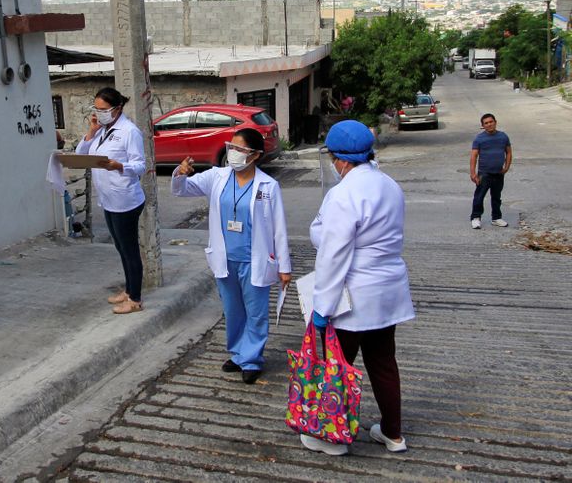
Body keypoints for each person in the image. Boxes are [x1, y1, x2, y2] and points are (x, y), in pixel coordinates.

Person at [304, 119, 414, 455]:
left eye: (334, 159)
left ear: (341, 159)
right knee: (383, 362)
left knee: (338, 366)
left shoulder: (343, 193)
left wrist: (321, 307)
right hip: (388, 290)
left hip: (353, 295)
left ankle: (332, 438)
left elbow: (334, 257)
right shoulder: (389, 184)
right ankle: (393, 434)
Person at [171, 129, 291, 384]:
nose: (233, 154)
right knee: (233, 310)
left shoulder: (268, 186)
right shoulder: (218, 176)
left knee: (256, 312)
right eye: (231, 147)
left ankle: (252, 359)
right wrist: (180, 174)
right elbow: (183, 190)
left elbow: (278, 228)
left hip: (254, 259)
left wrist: (285, 266)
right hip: (226, 258)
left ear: (256, 155)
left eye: (240, 150)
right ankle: (238, 354)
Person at [75, 87, 146, 314]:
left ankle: (135, 299)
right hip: (108, 199)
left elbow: (141, 166)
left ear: (118, 108)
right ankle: (128, 290)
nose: (99, 113)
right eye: (96, 109)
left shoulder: (129, 131)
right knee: (120, 247)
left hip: (125, 200)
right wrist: (91, 131)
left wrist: (119, 166)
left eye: (103, 109)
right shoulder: (102, 130)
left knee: (130, 249)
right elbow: (81, 154)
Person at [470, 113, 511, 229]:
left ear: (495, 122)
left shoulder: (503, 136)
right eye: (486, 123)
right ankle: (476, 218)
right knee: (479, 196)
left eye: (491, 122)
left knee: (496, 196)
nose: (489, 124)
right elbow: (474, 156)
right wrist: (473, 173)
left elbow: (508, 152)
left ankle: (496, 218)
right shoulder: (479, 138)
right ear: (483, 125)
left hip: (498, 173)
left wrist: (506, 167)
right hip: (484, 173)